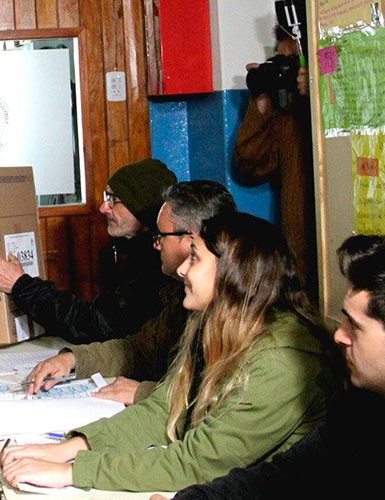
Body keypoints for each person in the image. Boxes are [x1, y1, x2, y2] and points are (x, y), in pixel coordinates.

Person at [0, 212, 339, 492]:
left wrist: (72, 473)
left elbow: (199, 461)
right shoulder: (213, 325)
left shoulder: (281, 362)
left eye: (194, 257)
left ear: (233, 275)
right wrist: (70, 448)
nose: (181, 269)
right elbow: (163, 408)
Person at [157, 235, 385, 499]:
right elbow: (284, 476)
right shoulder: (363, 407)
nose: (340, 335)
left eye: (355, 326)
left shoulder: (285, 361)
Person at [22, 181, 236, 404]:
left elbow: (216, 404)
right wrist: (72, 360)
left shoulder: (236, 312)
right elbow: (137, 350)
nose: (156, 245)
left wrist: (143, 393)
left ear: (191, 240)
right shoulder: (179, 294)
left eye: (160, 235)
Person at [0, 160, 177, 344]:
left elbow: (96, 326)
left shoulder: (159, 266)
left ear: (142, 208)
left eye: (114, 200)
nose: (104, 207)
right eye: (107, 197)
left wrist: (20, 285)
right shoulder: (127, 250)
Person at [235, 15, 316, 298]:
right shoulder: (285, 113)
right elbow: (250, 163)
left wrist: (317, 94)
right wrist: (261, 103)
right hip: (302, 263)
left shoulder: (330, 99)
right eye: (282, 60)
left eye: (294, 61)